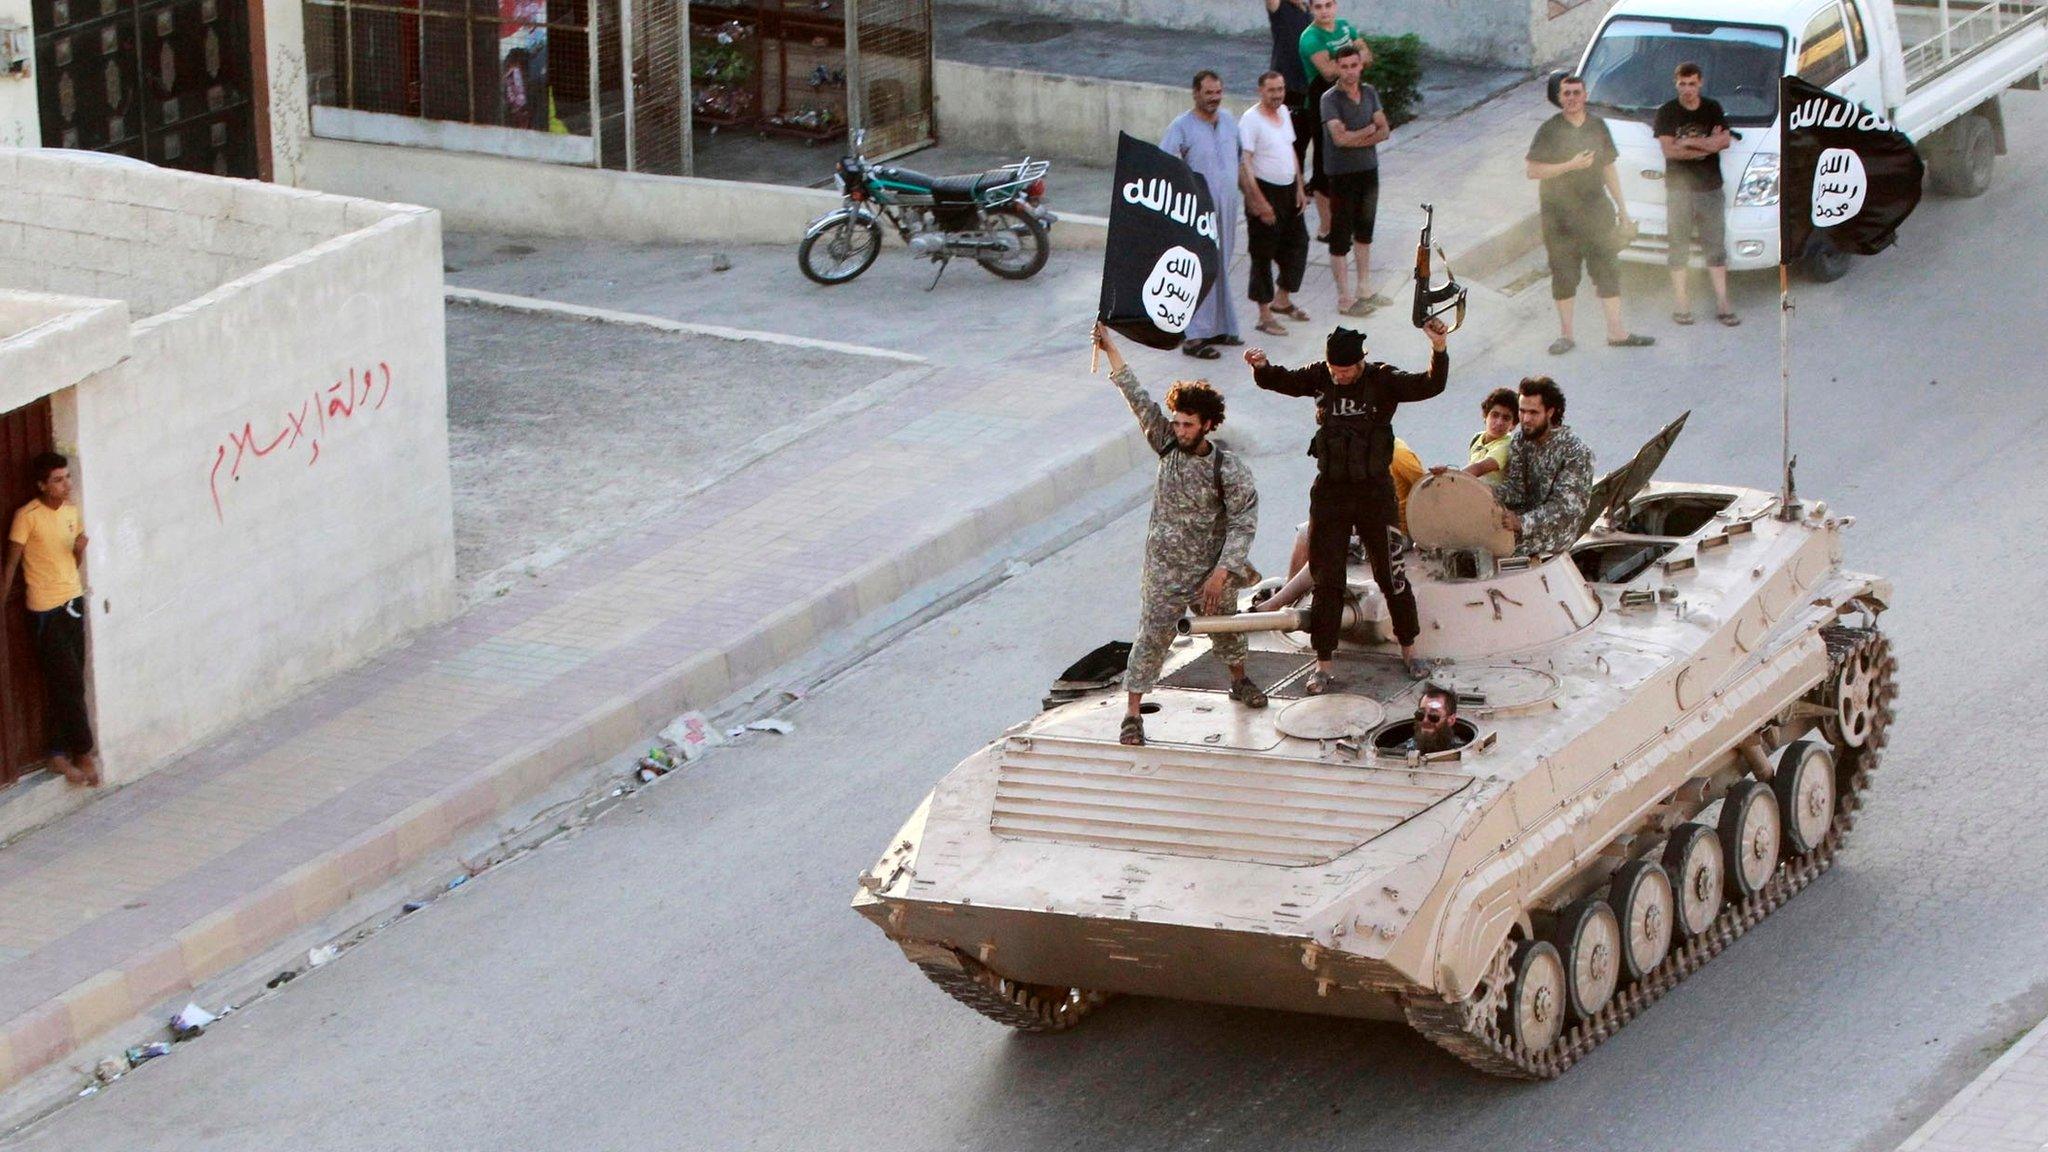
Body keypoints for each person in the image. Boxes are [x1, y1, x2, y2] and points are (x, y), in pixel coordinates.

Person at [1247, 321, 1449, 690]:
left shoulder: (1383, 380)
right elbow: (1286, 381)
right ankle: (1323, 664)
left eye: (1345, 371)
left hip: (1374, 492)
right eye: (1334, 371)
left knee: (1392, 574)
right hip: (1331, 492)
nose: (1338, 378)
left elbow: (1430, 385)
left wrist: (1438, 349)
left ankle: (1409, 649)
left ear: (1360, 364)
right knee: (1327, 580)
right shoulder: (1321, 377)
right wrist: (1261, 367)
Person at [1095, 323, 1264, 747]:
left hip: (1209, 573)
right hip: (1165, 573)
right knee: (1151, 637)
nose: (1179, 429)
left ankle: (1239, 681)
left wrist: (1223, 572)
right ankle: (1133, 713)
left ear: (1208, 425)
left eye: (1188, 424)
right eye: (1176, 422)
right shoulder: (1167, 444)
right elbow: (1134, 394)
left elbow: (1244, 520)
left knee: (1226, 630)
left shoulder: (1227, 469)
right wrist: (1110, 347)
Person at [1525, 74, 1654, 355]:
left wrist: (1623, 210)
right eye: (1566, 94)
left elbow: (1608, 168)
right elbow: (1532, 170)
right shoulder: (1550, 130)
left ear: (1585, 96)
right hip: (1559, 216)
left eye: (1576, 93)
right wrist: (1569, 165)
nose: (1571, 98)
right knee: (1564, 274)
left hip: (1597, 211)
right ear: (1559, 98)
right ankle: (1566, 335)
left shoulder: (1598, 127)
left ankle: (1617, 332)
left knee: (1607, 270)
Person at [1, 452, 97, 786]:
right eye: (57, 479)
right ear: (42, 485)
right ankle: (83, 751)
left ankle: (57, 752)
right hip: (45, 609)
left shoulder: (72, 512)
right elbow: (12, 563)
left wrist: (81, 549)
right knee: (68, 681)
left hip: (72, 602)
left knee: (69, 681)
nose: (66, 484)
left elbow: (71, 560)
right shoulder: (26, 516)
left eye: (67, 477)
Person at [1250, 436, 1425, 615]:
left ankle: (1274, 604)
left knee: (1326, 552)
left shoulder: (1398, 454)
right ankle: (1291, 592)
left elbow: (1426, 488)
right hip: (1365, 520)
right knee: (1306, 532)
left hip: (1395, 530)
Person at [1163, 71, 1245, 360]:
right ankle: (1194, 336)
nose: (1214, 98)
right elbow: (1167, 168)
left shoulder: (1230, 122)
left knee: (1221, 265)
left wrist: (1256, 199)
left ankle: (1220, 327)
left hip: (1227, 207)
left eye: (1218, 92)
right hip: (1197, 211)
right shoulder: (1181, 127)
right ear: (1196, 94)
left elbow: (1239, 163)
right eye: (1208, 93)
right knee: (1199, 269)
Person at [1655, 62, 1739, 327]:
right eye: (1682, 83)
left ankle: (1723, 304)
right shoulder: (1668, 112)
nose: (1687, 89)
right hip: (1679, 189)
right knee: (1678, 245)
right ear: (1675, 83)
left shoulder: (1712, 108)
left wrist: (1689, 142)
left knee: (1715, 246)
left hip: (1710, 187)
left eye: (1692, 83)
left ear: (1700, 83)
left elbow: (1724, 141)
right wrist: (1707, 146)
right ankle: (1681, 303)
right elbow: (1669, 151)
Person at [1320, 44, 1391, 318]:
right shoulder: (1330, 99)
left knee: (1364, 232)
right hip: (1341, 175)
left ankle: (1364, 289)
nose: (1350, 71)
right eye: (1345, 66)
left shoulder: (1370, 92)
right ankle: (1344, 299)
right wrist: (1368, 130)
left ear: (1361, 65)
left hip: (1368, 171)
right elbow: (1340, 139)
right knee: (1340, 237)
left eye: (1354, 65)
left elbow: (1385, 130)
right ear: (1337, 67)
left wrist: (1359, 136)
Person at [1240, 71, 1313, 337]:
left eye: (1280, 89)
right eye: (1272, 90)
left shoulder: (1283, 112)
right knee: (1262, 253)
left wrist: (1299, 186)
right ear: (1261, 91)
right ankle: (1264, 314)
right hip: (1264, 191)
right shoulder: (1250, 120)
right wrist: (1259, 202)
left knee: (1298, 244)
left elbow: (1291, 149)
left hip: (1288, 191)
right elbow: (1245, 162)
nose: (1277, 95)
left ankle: (1282, 300)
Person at [1495, 376, 1595, 557]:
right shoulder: (1521, 441)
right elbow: (1516, 489)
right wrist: (1478, 490)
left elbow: (1564, 509)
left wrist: (1521, 522)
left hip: (1556, 534)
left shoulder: (1576, 452)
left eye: (1533, 413)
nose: (1525, 419)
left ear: (1550, 412)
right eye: (1522, 411)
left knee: (1490, 549)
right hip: (1524, 519)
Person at [1297, 0, 1368, 240]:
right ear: (1311, 9)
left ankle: (1348, 219)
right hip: (1321, 105)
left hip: (1348, 102)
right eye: (1318, 6)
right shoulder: (1310, 38)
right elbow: (1327, 71)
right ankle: (1326, 227)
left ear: (1335, 6)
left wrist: (1349, 64)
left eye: (1328, 5)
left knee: (1350, 160)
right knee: (1323, 164)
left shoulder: (1346, 27)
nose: (1324, 11)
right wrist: (1353, 63)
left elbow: (1368, 55)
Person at [1265, 0, 1316, 205]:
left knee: (1302, 139)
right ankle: (1290, 188)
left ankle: (1301, 184)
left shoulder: (1310, 13)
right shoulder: (1280, 8)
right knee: (1287, 142)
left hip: (1307, 87)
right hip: (1285, 88)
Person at [1464, 387, 1517, 486]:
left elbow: (1479, 468)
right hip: (1471, 492)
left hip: (1491, 498)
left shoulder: (1506, 446)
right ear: (1485, 416)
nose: (1499, 422)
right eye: (1495, 415)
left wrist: (1451, 478)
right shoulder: (1477, 438)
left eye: (1506, 418)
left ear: (1513, 425)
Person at [1407, 683, 1462, 753]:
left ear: (1451, 720)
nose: (1425, 720)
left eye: (1433, 716)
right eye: (1420, 714)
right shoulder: (1404, 749)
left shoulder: (1462, 752)